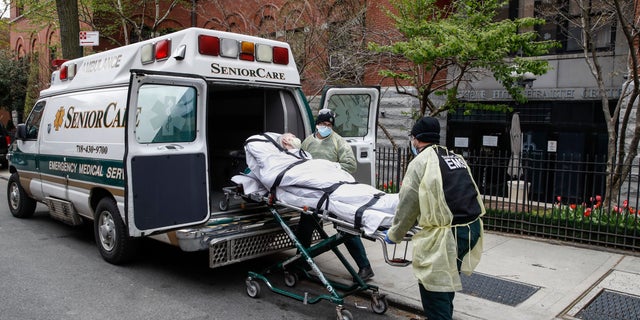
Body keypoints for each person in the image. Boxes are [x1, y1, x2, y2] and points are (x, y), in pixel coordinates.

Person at [384, 116, 485, 320]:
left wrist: (394, 234)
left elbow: (408, 206)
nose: (411, 142)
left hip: (448, 235)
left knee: (434, 290)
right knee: (446, 282)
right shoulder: (453, 157)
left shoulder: (420, 163)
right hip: (471, 229)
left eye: (412, 138)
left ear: (416, 139)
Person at [299, 109, 375, 281]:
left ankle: (365, 267)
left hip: (333, 191)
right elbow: (301, 162)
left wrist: (330, 169)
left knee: (344, 227)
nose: (326, 127)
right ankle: (300, 260)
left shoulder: (338, 142)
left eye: (329, 125)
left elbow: (350, 164)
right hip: (313, 191)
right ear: (317, 124)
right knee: (305, 226)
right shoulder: (308, 142)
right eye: (323, 124)